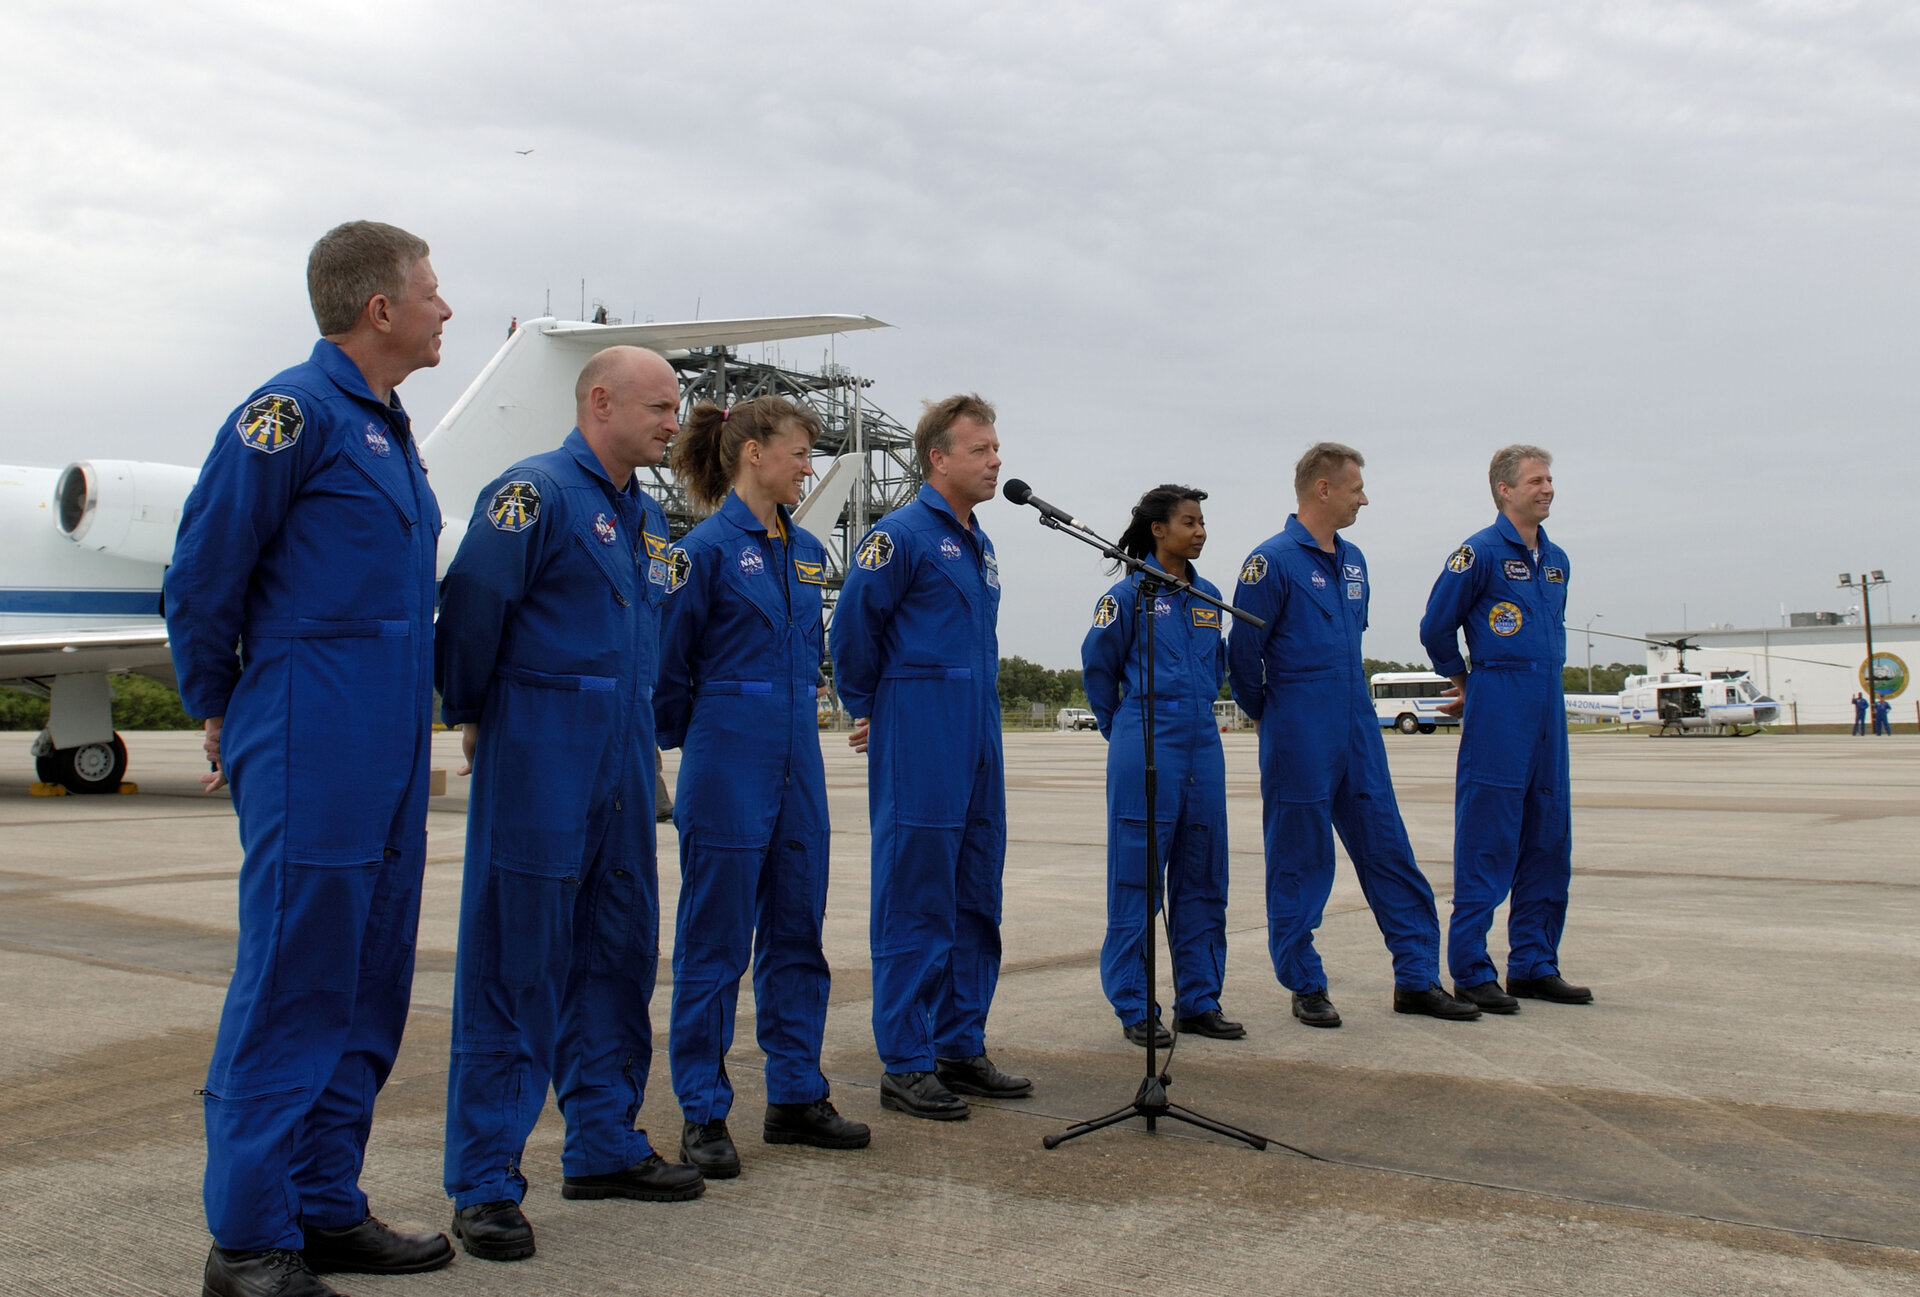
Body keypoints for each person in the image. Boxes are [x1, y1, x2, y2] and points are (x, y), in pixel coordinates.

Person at [166, 220, 455, 1297]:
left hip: (383, 738)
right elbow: (206, 570)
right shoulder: (289, 413)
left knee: (367, 980)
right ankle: (248, 1242)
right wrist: (215, 702)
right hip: (310, 726)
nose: (445, 307)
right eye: (432, 290)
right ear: (380, 308)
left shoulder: (384, 426)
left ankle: (324, 1204)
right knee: (294, 980)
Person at [437, 346, 703, 1264]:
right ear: (602, 400)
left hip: (626, 759)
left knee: (619, 953)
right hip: (543, 749)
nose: (676, 421)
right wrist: (474, 710)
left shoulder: (645, 514)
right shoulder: (533, 492)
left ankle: (603, 1140)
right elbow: (472, 603)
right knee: (517, 966)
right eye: (662, 405)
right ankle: (484, 1183)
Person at [655, 395, 871, 1179]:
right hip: (727, 750)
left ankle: (796, 1094)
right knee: (714, 941)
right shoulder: (702, 552)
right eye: (798, 452)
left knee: (796, 931)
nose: (807, 466)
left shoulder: (806, 551)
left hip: (797, 758)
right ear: (753, 453)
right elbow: (666, 674)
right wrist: (711, 733)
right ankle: (703, 1111)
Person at [829, 394, 1033, 1120]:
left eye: (996, 448)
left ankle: (959, 1040)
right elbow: (853, 626)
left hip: (977, 731)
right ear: (939, 457)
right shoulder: (901, 535)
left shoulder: (980, 541)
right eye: (981, 450)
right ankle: (907, 1059)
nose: (996, 460)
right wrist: (871, 705)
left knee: (976, 892)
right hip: (921, 731)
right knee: (915, 896)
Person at [1228, 445, 1479, 1028]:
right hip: (1297, 724)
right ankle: (1305, 982)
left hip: (1356, 724)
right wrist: (1272, 714)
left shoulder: (1356, 559)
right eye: (1356, 488)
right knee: (1300, 858)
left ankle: (1416, 977)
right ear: (1322, 488)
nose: (1364, 498)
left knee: (1388, 847)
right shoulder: (1269, 563)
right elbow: (1242, 657)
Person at [1420, 445, 1592, 1010]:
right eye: (1536, 481)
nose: (1547, 489)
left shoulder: (1558, 558)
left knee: (1549, 833)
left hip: (1547, 700)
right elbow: (1436, 625)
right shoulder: (1478, 554)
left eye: (1550, 480)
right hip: (1499, 697)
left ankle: (1535, 962)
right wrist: (1464, 680)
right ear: (1505, 490)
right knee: (1489, 834)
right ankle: (1471, 967)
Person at [1081, 485, 1242, 1047]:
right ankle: (1133, 1004)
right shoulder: (1127, 597)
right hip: (1145, 734)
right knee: (1136, 875)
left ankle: (1199, 1000)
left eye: (1202, 522)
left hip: (1201, 736)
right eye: (1189, 522)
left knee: (1203, 873)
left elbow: (1217, 667)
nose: (1200, 531)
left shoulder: (1211, 597)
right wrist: (1122, 727)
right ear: (1158, 530)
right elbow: (1098, 670)